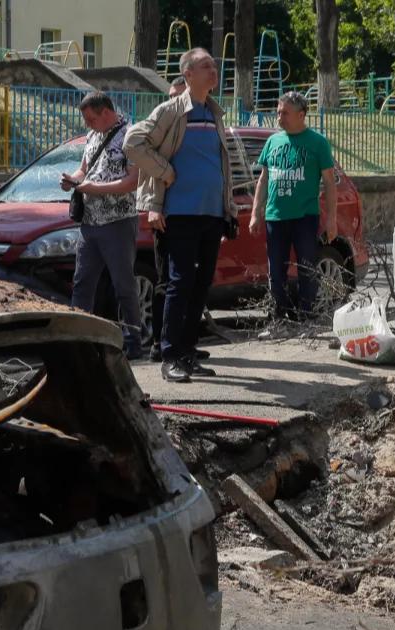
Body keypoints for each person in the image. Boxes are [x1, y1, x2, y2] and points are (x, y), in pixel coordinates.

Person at [124, 48, 236, 383]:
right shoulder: (172, 111)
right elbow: (133, 142)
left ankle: (188, 352)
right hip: (180, 213)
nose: (213, 71)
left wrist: (227, 208)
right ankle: (170, 354)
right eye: (205, 66)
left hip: (211, 213)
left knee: (201, 285)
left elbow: (222, 166)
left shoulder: (213, 112)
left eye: (214, 66)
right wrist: (165, 171)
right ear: (187, 74)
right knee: (178, 282)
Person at [59, 92, 143, 358]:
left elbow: (133, 181)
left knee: (123, 285)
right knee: (82, 282)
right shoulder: (94, 135)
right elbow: (84, 169)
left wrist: (96, 188)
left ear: (106, 112)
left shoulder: (131, 136)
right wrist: (72, 180)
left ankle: (133, 342)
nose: (88, 124)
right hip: (90, 222)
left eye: (91, 118)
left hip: (118, 222)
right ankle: (78, 340)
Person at [249, 91, 337, 322]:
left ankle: (306, 317)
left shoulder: (318, 143)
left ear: (301, 115)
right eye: (278, 112)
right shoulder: (273, 141)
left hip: (304, 217)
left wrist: (331, 220)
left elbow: (329, 182)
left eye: (285, 113)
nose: (280, 117)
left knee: (306, 269)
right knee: (276, 272)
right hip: (275, 217)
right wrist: (256, 213)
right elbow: (263, 179)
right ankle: (279, 318)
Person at [148, 75, 191, 361]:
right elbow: (149, 171)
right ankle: (158, 344)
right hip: (165, 215)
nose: (173, 103)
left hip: (193, 215)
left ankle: (183, 342)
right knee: (165, 282)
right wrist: (154, 206)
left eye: (179, 97)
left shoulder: (194, 130)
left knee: (187, 282)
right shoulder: (162, 133)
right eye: (171, 96)